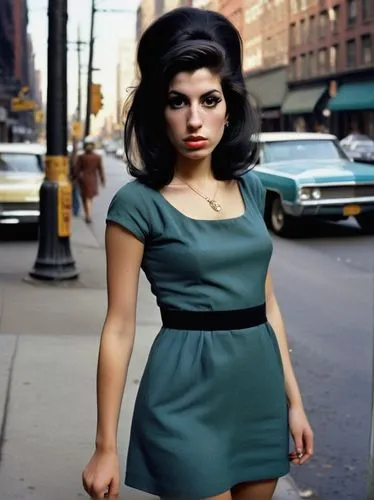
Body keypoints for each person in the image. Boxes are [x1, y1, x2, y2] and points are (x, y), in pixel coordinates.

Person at [82, 7, 313, 500]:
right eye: (176, 102)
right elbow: (118, 326)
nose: (194, 119)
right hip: (183, 399)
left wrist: (293, 401)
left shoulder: (251, 190)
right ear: (156, 111)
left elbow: (267, 305)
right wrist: (105, 445)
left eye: (209, 100)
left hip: (257, 393)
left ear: (228, 107)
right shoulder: (137, 205)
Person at [75, 136, 106, 223]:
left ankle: (87, 214)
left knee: (85, 198)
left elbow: (77, 170)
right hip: (92, 179)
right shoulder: (97, 157)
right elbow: (100, 170)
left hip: (83, 180)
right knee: (89, 198)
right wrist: (103, 180)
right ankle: (88, 214)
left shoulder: (81, 157)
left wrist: (75, 179)